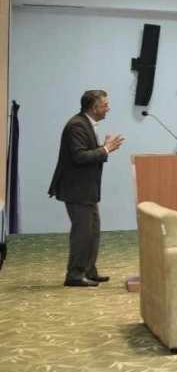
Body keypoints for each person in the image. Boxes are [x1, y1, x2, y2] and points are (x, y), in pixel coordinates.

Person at [49, 90, 124, 287]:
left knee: (92, 232)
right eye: (105, 105)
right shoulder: (77, 125)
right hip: (77, 190)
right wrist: (105, 149)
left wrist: (102, 148)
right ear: (94, 107)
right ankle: (75, 275)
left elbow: (86, 153)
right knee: (82, 233)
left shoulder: (85, 123)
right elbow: (80, 156)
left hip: (87, 191)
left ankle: (88, 271)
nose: (108, 108)